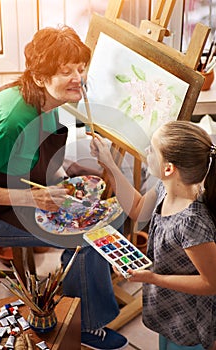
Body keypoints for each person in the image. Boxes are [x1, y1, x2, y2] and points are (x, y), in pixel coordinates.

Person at [0, 26, 128, 350]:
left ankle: (77, 289)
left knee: (93, 213)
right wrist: (32, 197)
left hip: (14, 188)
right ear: (38, 77)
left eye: (80, 68)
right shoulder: (11, 120)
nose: (79, 77)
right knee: (88, 238)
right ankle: (86, 326)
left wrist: (67, 171)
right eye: (66, 71)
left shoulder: (46, 100)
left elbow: (31, 156)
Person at [90, 120, 216, 350]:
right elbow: (137, 208)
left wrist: (153, 278)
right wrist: (109, 164)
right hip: (168, 303)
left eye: (152, 149)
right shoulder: (164, 187)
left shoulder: (191, 223)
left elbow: (211, 283)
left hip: (188, 315)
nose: (146, 152)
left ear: (169, 168)